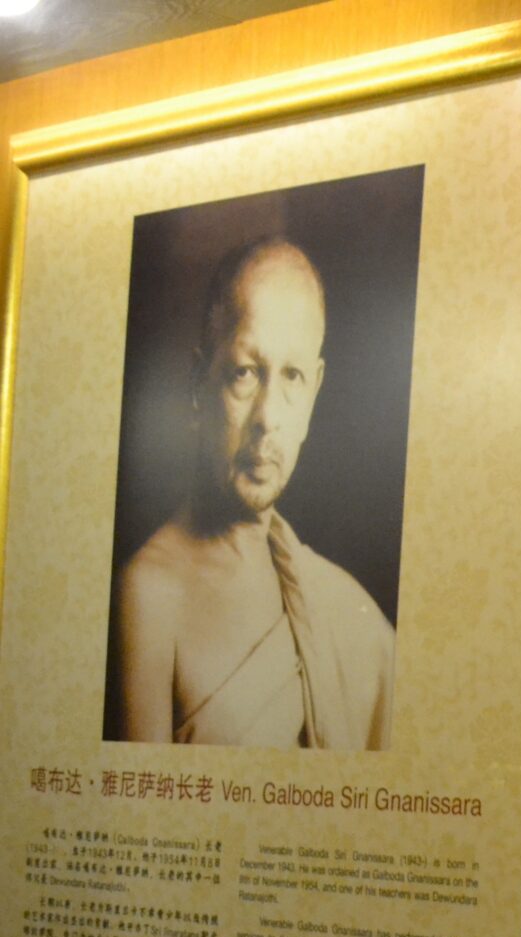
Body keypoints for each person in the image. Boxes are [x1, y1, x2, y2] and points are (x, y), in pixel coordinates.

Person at [111, 236, 394, 749]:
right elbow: (142, 819)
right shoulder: (149, 593)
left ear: (313, 394)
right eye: (244, 373)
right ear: (200, 383)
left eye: (292, 377)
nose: (268, 418)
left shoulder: (349, 612)